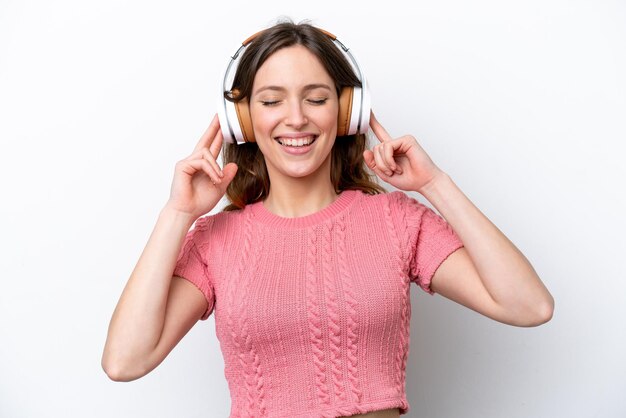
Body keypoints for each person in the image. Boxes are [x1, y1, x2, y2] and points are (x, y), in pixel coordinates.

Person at [102, 20, 554, 418]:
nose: (295, 119)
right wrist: (177, 214)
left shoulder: (396, 221)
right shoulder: (216, 240)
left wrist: (434, 183)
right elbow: (125, 362)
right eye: (271, 101)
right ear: (241, 119)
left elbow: (528, 306)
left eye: (316, 98)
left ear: (344, 112)